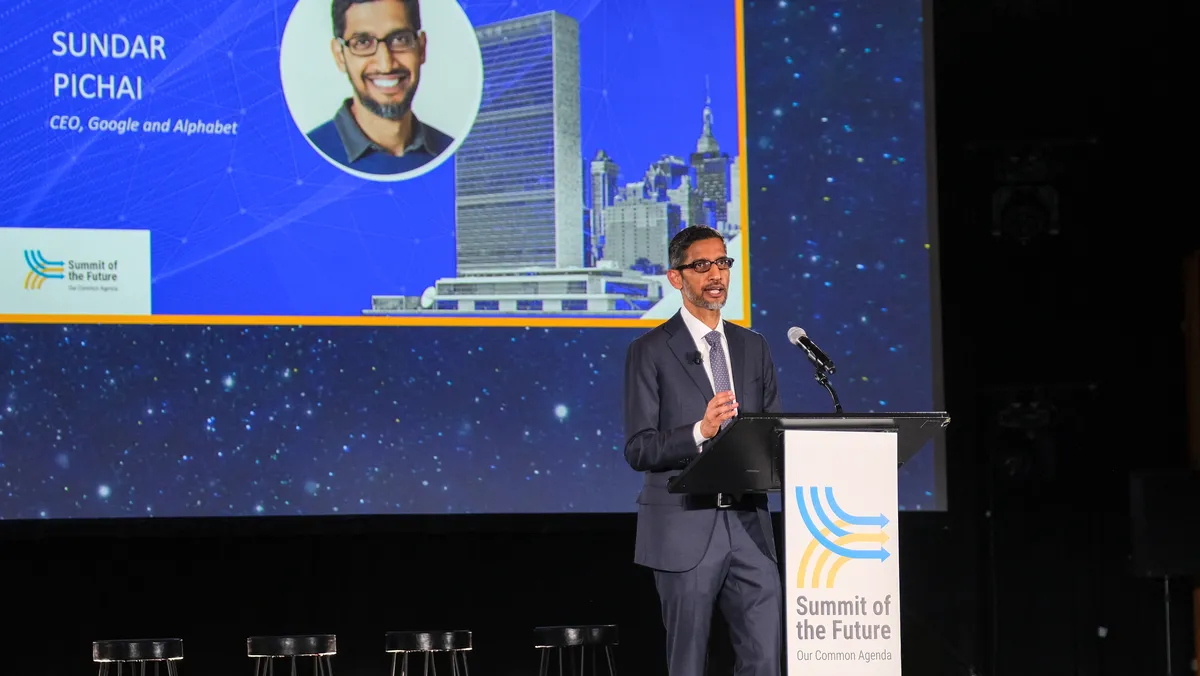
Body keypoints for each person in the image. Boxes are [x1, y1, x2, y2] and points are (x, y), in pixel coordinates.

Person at [623, 225, 782, 676]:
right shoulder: (649, 351)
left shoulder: (754, 347)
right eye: (701, 265)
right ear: (677, 278)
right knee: (689, 662)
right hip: (684, 526)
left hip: (750, 526)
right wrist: (700, 430)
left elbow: (773, 433)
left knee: (765, 658)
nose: (716, 274)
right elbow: (639, 448)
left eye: (723, 263)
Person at [308, 0, 454, 176]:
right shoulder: (308, 157)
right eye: (362, 42)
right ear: (340, 56)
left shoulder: (451, 152)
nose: (386, 65)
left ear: (422, 48)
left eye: (400, 39)